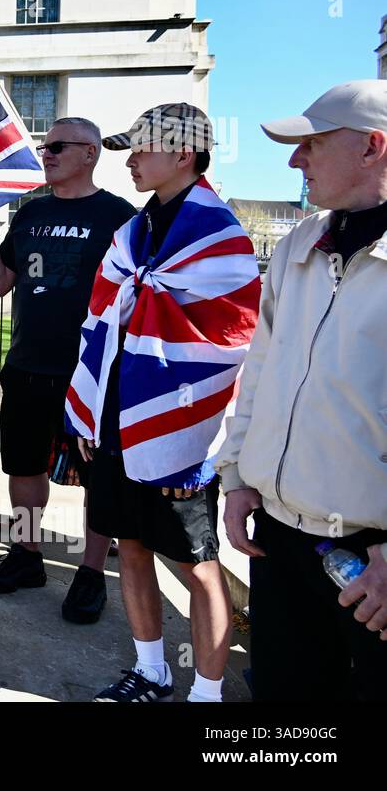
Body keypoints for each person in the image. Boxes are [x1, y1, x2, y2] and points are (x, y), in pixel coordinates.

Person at [69, 104, 260, 702]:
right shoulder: (131, 233)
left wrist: (198, 443)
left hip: (182, 429)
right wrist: (89, 409)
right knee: (130, 543)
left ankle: (208, 693)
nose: (131, 160)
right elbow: (102, 318)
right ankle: (150, 669)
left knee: (196, 563)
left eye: (142, 149)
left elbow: (232, 345)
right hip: (117, 416)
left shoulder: (221, 236)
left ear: (184, 154)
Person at [217, 80, 387, 700]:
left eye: (312, 143)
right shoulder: (299, 243)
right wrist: (238, 478)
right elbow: (260, 370)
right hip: (282, 541)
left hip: (372, 563)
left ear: (373, 147)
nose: (295, 159)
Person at [0, 116, 136, 624]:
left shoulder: (120, 216)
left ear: (90, 153)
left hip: (91, 372)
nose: (48, 154)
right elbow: (0, 282)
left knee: (97, 475)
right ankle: (27, 555)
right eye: (45, 148)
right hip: (26, 366)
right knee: (23, 466)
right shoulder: (30, 214)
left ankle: (90, 573)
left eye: (59, 146)